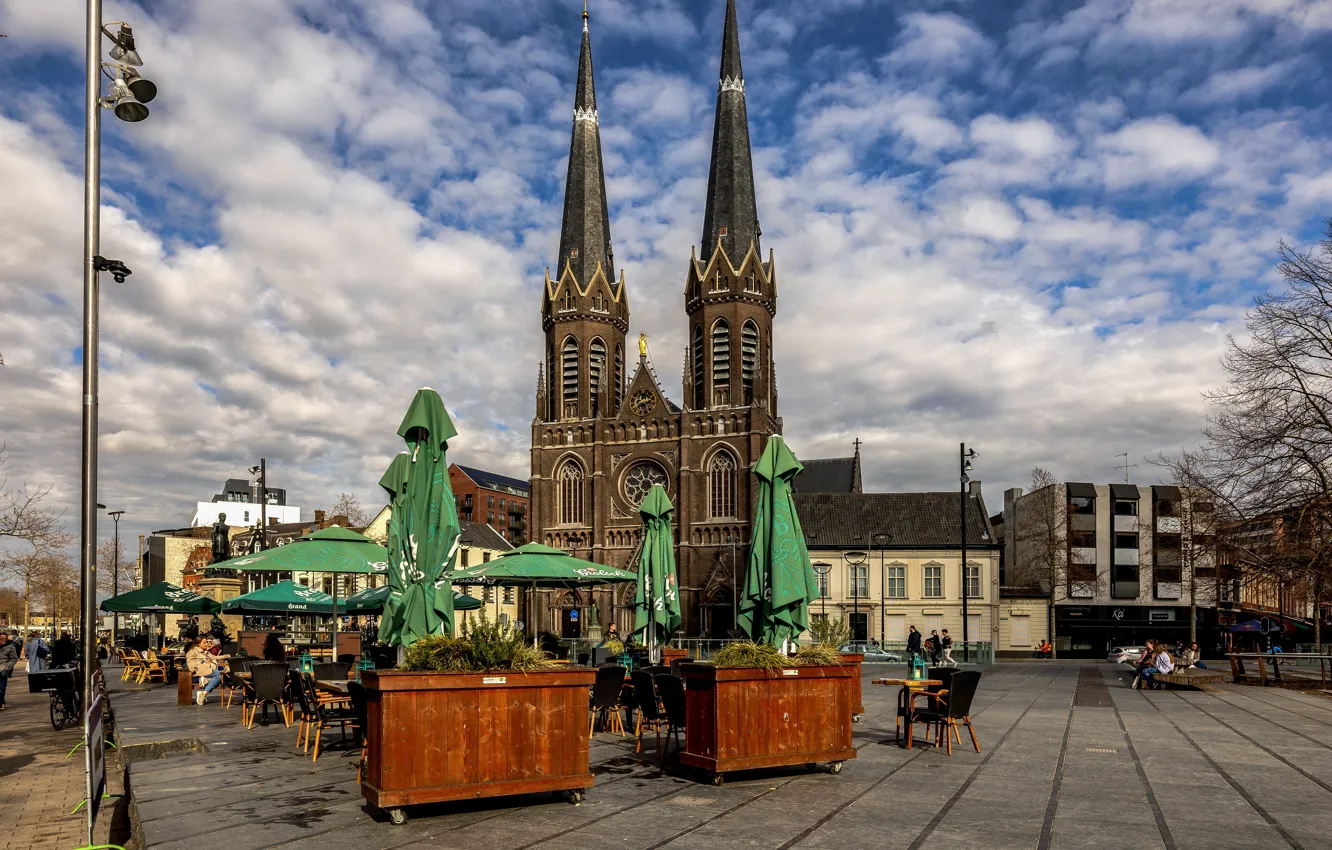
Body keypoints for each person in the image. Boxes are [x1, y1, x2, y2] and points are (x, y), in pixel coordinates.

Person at [186, 636, 222, 705]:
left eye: (207, 642)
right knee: (218, 674)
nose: (207, 644)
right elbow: (190, 660)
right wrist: (192, 668)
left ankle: (203, 692)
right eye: (204, 642)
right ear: (198, 643)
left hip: (208, 670)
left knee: (222, 673)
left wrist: (226, 656)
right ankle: (204, 687)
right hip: (200, 670)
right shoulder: (193, 651)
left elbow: (214, 657)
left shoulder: (205, 652)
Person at [0, 632, 17, 710]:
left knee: (1, 687)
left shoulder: (10, 647)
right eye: (2, 638)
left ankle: (1, 702)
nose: (4, 640)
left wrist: (8, 667)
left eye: (5, 639)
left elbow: (14, 658)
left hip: (4, 668)